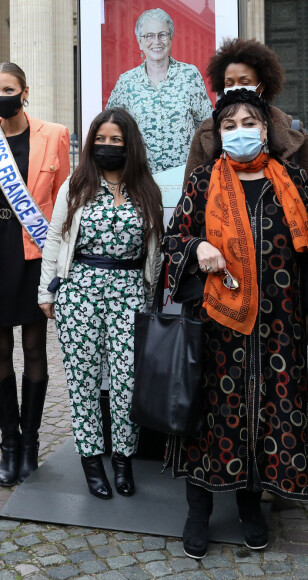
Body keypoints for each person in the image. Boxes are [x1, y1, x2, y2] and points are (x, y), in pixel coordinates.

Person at [165, 89, 308, 558]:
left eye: (250, 122)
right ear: (218, 133)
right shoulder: (203, 181)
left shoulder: (291, 181)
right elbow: (174, 240)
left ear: (266, 129)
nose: (240, 131)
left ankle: (251, 508)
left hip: (278, 331)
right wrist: (196, 249)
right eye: (230, 125)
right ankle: (197, 513)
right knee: (210, 418)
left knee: (262, 417)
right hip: (216, 330)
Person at [39, 108, 163, 499]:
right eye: (101, 139)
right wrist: (46, 291)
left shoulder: (146, 189)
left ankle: (123, 460)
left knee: (127, 383)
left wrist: (151, 296)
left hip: (129, 292)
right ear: (91, 142)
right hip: (80, 291)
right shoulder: (75, 186)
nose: (107, 146)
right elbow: (55, 240)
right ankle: (92, 462)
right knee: (83, 381)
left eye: (116, 140)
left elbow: (154, 251)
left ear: (130, 145)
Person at [0, 62, 70, 487]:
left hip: (35, 252)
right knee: (2, 351)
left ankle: (31, 446)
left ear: (25, 91)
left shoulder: (56, 135)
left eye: (8, 88)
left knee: (35, 350)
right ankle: (9, 443)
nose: (0, 96)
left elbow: (65, 201)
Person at [184, 37, 308, 184]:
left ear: (261, 86)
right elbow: (191, 193)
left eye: (244, 82)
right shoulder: (205, 132)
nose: (236, 88)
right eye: (229, 83)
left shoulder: (293, 130)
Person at [106, 8, 212, 174]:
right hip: (140, 180)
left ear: (170, 38)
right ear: (140, 42)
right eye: (149, 36)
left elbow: (207, 125)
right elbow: (110, 128)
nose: (156, 41)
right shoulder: (126, 82)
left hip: (184, 179)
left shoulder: (190, 75)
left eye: (162, 35)